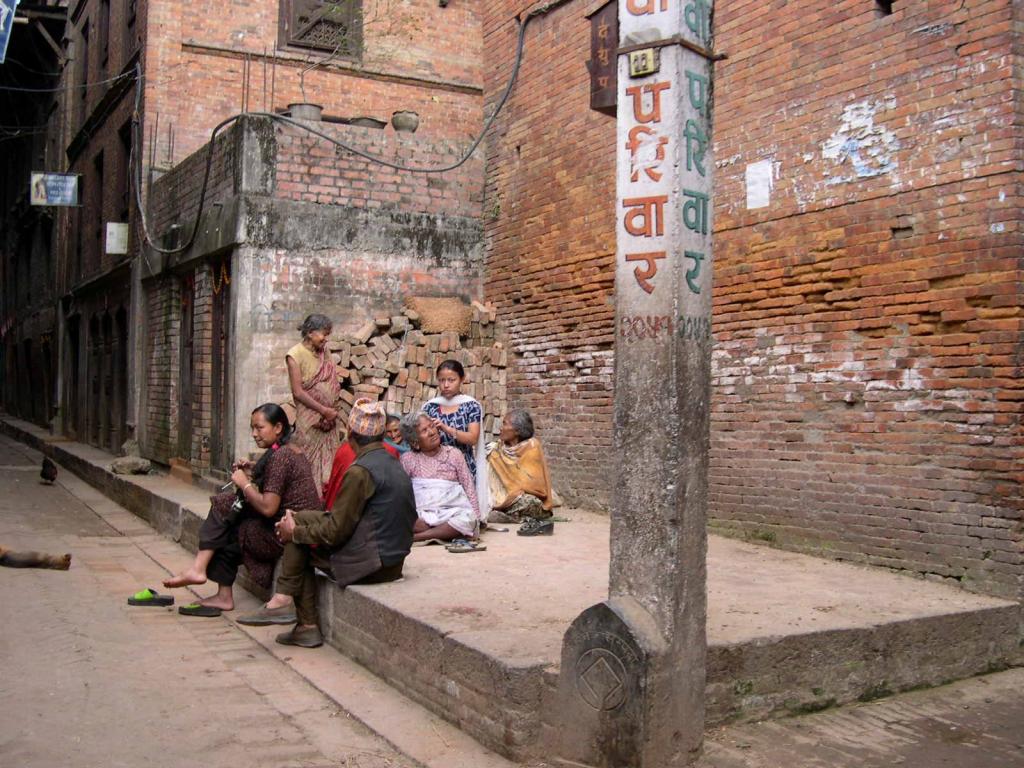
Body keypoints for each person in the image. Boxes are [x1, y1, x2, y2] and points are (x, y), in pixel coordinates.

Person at [236, 399, 416, 648]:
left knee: (299, 542)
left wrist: (294, 532)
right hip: (392, 558)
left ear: (351, 435)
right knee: (300, 518)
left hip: (375, 564)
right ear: (381, 435)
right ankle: (292, 607)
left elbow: (334, 532)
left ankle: (295, 612)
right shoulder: (392, 462)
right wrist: (297, 522)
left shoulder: (360, 471)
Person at [162, 404, 322, 614]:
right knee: (225, 506)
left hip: (287, 532)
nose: (254, 434)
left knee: (230, 527)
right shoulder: (285, 450)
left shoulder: (282, 457)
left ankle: (211, 583)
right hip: (288, 523)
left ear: (278, 427)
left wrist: (245, 484)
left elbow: (268, 507)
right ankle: (204, 576)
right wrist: (252, 470)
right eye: (252, 428)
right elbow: (275, 481)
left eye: (260, 427)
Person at [399, 412, 481, 542]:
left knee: (468, 520)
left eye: (432, 426)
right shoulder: (408, 459)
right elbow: (402, 493)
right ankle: (442, 532)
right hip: (422, 514)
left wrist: (476, 519)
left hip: (452, 512)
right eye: (424, 430)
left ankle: (420, 537)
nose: (432, 432)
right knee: (402, 518)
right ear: (415, 443)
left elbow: (468, 486)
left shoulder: (454, 454)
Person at [287, 314, 343, 496]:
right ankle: (307, 500)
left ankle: (326, 501)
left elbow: (331, 380)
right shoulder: (294, 355)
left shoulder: (324, 352)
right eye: (323, 334)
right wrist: (323, 410)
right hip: (310, 421)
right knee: (308, 464)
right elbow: (298, 391)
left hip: (330, 420)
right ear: (310, 333)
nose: (326, 339)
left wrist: (331, 412)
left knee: (330, 464)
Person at [422, 359, 488, 511]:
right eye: (441, 380)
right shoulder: (430, 407)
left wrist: (447, 428)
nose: (446, 385)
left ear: (462, 379)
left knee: (462, 510)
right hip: (435, 466)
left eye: (451, 380)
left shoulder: (470, 406)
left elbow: (472, 438)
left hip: (463, 465)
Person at [487, 408, 555, 535]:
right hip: (504, 497)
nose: (500, 428)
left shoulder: (532, 446)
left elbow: (536, 487)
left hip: (526, 498)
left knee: (529, 502)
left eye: (505, 424)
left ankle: (503, 513)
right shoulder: (496, 448)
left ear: (517, 430)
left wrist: (515, 492)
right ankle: (503, 512)